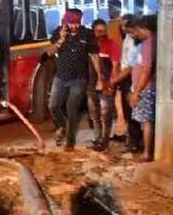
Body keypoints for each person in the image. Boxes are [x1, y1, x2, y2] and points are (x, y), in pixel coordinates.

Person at [48, 9, 104, 151]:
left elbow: (94, 55)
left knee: (71, 109)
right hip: (60, 77)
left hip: (79, 79)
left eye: (77, 23)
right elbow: (50, 51)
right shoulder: (58, 32)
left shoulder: (87, 34)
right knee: (53, 106)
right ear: (66, 22)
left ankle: (70, 142)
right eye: (71, 23)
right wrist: (61, 40)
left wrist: (100, 76)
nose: (74, 26)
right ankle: (63, 125)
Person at [110, 15, 143, 152]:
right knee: (126, 110)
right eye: (122, 26)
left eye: (125, 26)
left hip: (131, 77)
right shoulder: (128, 39)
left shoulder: (138, 42)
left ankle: (136, 143)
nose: (122, 29)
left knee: (132, 111)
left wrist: (114, 80)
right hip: (125, 76)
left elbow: (131, 66)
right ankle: (132, 140)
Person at [87, 19, 121, 152]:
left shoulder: (112, 45)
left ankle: (104, 141)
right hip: (91, 86)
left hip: (106, 85)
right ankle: (97, 139)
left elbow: (115, 66)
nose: (102, 33)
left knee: (105, 116)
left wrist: (111, 85)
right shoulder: (89, 46)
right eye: (99, 31)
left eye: (104, 30)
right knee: (94, 116)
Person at [129, 15, 157, 162]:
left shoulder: (148, 44)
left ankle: (147, 153)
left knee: (146, 122)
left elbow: (146, 70)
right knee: (146, 121)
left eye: (138, 30)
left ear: (145, 29)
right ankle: (147, 151)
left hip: (147, 88)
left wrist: (137, 92)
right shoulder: (154, 41)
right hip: (146, 87)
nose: (137, 33)